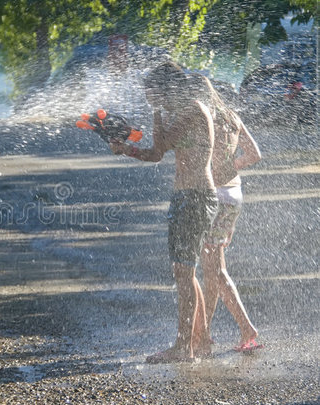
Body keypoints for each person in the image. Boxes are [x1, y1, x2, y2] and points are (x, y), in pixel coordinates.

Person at [110, 62, 218, 363]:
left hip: (195, 198)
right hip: (187, 197)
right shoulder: (181, 111)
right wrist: (127, 150)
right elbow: (157, 154)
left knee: (184, 272)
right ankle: (200, 341)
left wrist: (156, 113)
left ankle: (184, 347)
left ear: (166, 89)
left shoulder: (191, 110)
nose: (147, 97)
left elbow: (161, 142)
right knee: (185, 272)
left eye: (151, 92)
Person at [190, 74, 263, 352]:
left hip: (216, 195)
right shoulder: (231, 116)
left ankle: (247, 328)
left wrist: (216, 172)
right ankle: (204, 332)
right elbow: (254, 154)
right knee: (212, 271)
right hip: (234, 196)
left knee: (216, 271)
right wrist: (232, 166)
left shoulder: (202, 118)